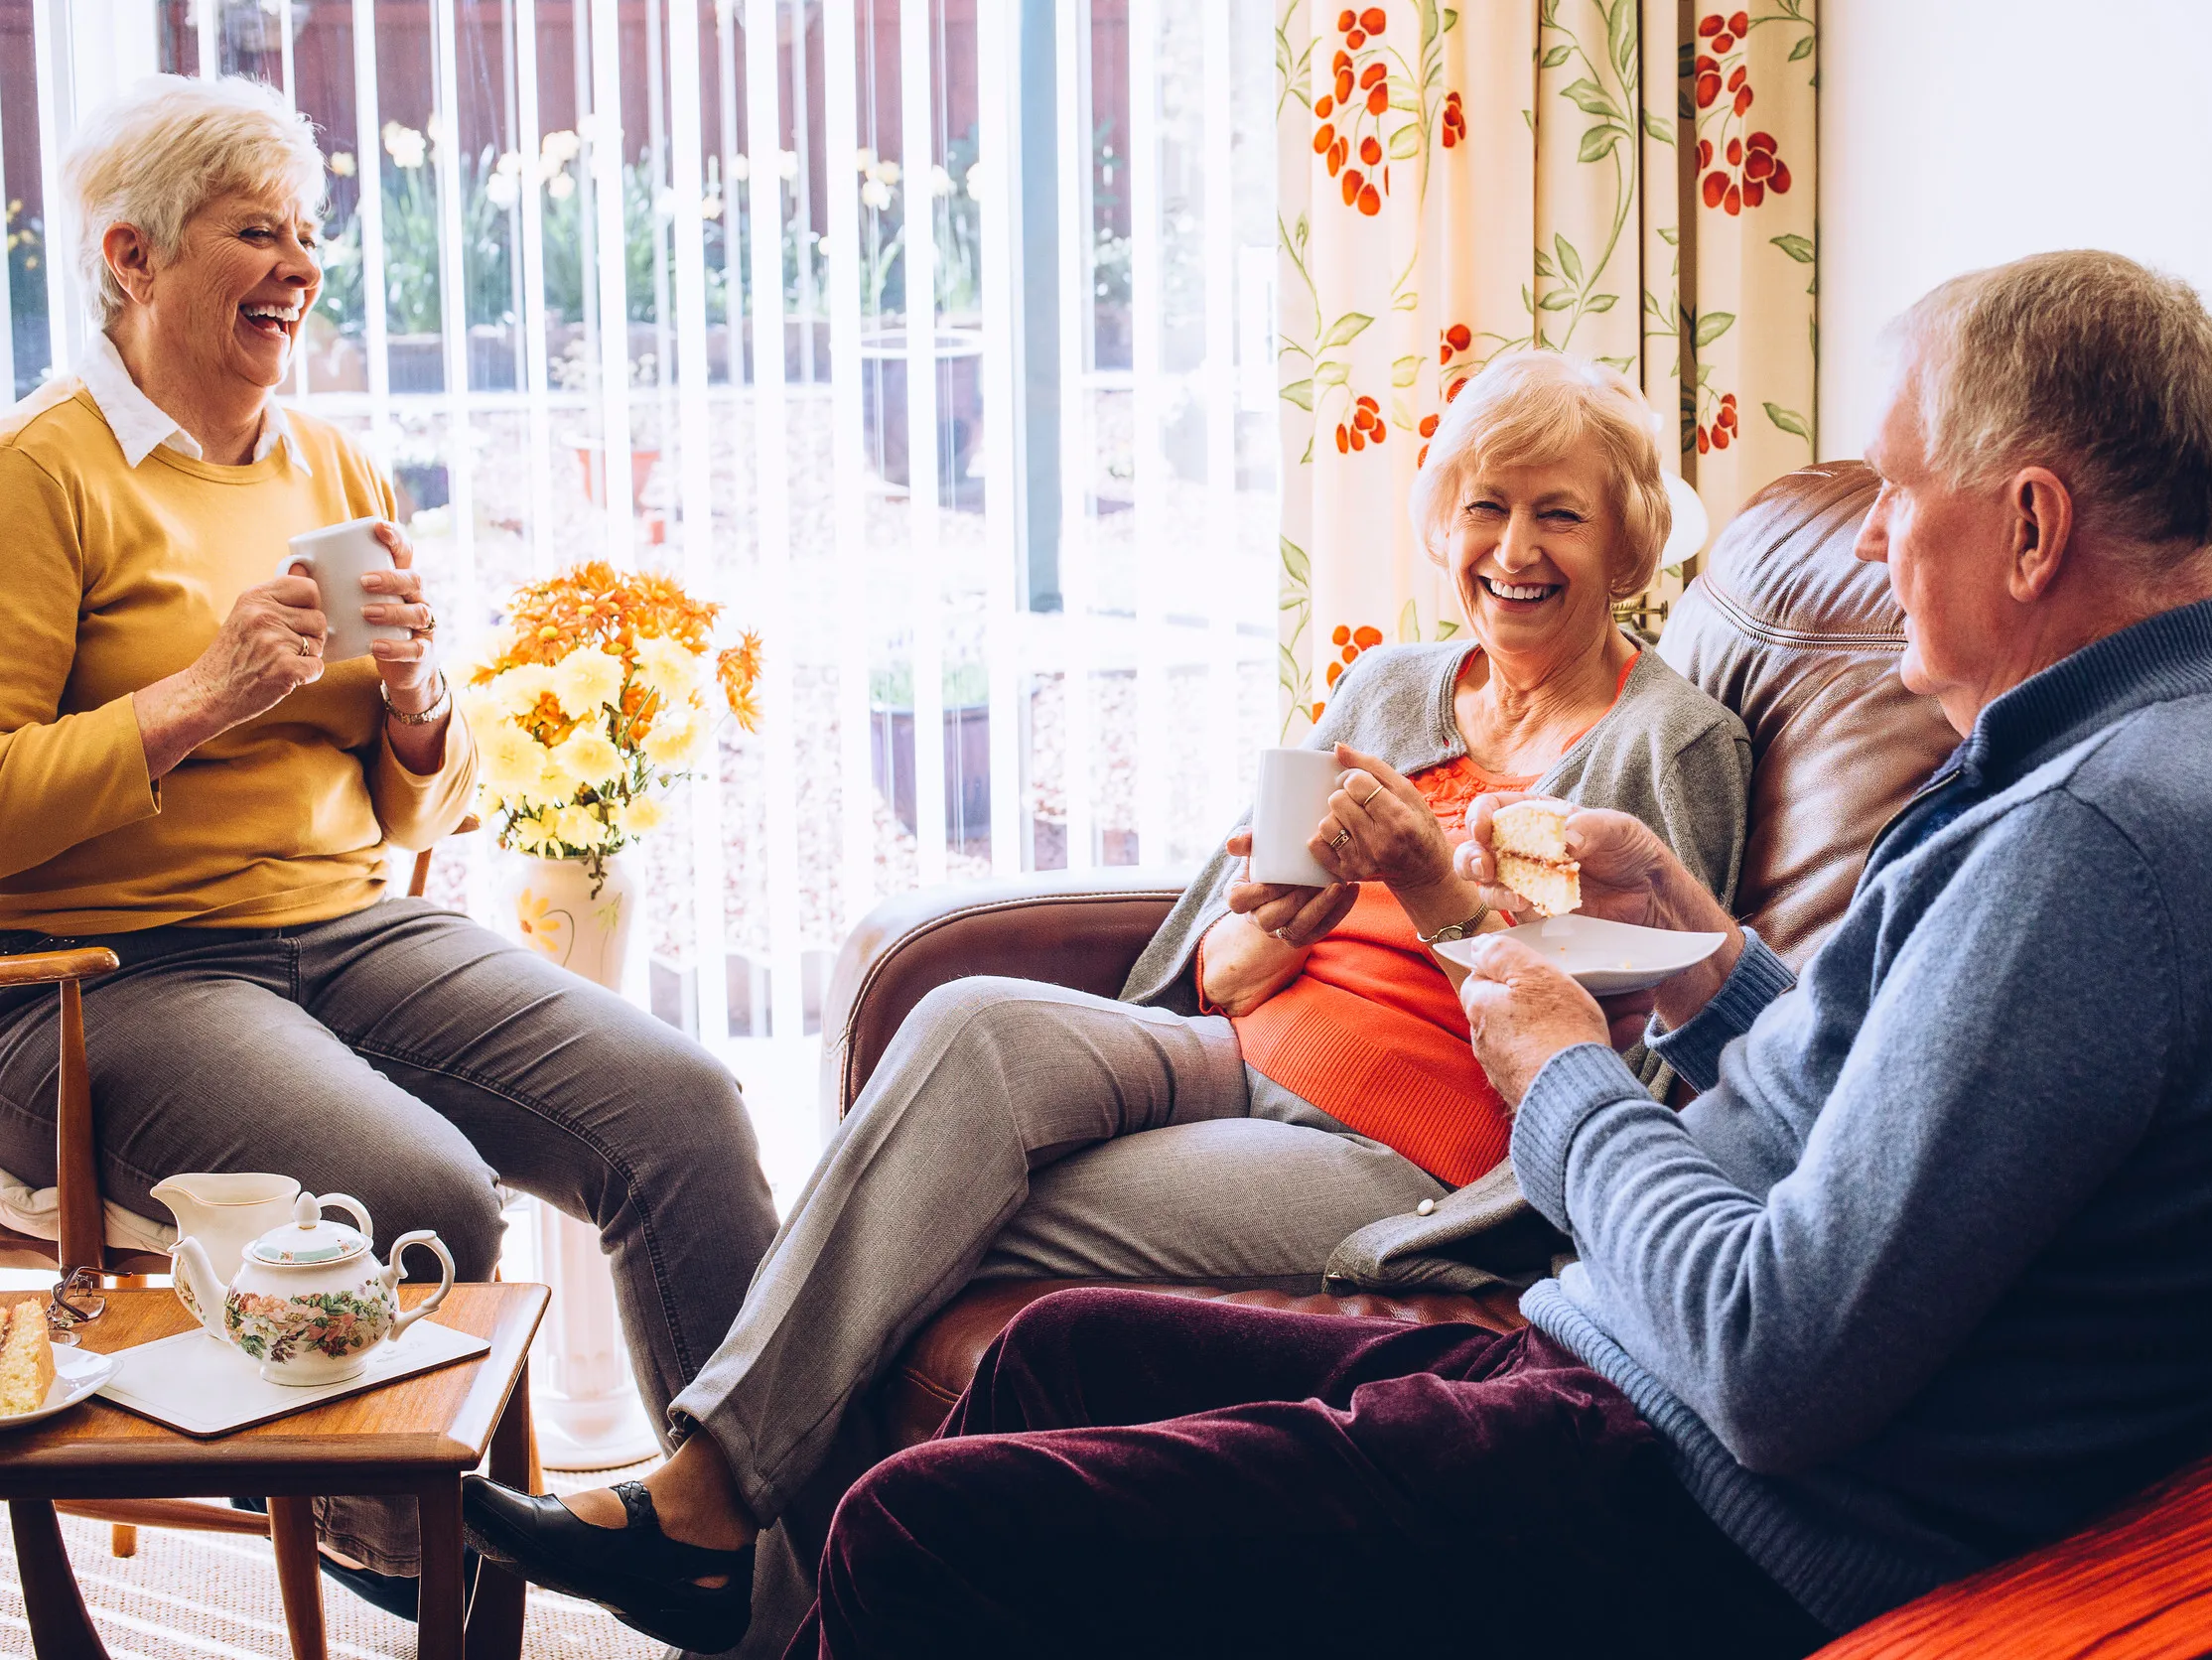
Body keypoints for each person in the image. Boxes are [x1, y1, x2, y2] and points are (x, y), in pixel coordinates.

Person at [791, 249, 2212, 1657]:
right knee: (1061, 1353)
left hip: (1698, 1505)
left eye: (1901, 495)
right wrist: (1700, 964)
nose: (1881, 541)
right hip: (1626, 1377)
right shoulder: (2205, 746)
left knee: (918, 1538)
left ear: (2034, 526)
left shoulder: (2099, 847)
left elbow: (1779, 1359)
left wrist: (1565, 1073)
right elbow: (1910, 1102)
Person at [461, 349, 1752, 1654]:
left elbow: (1647, 1035)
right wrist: (1250, 944)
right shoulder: (1394, 689)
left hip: (1413, 1152)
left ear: (1629, 541)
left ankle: (731, 1542)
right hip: (1236, 1051)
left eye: (1559, 513)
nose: (1513, 549)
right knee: (967, 1024)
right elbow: (1223, 941)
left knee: (933, 1220)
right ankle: (732, 1542)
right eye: (1486, 506)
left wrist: (1426, 882)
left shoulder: (1666, 741)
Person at [0, 75, 778, 1606]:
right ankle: (421, 1570)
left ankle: (737, 1559)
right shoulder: (40, 476)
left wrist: (424, 708)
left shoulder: (332, 470)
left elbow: (426, 807)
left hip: (352, 932)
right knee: (418, 1193)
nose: (298, 264)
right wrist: (201, 697)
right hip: (108, 979)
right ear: (132, 258)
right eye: (254, 231)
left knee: (682, 1110)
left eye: (308, 233)